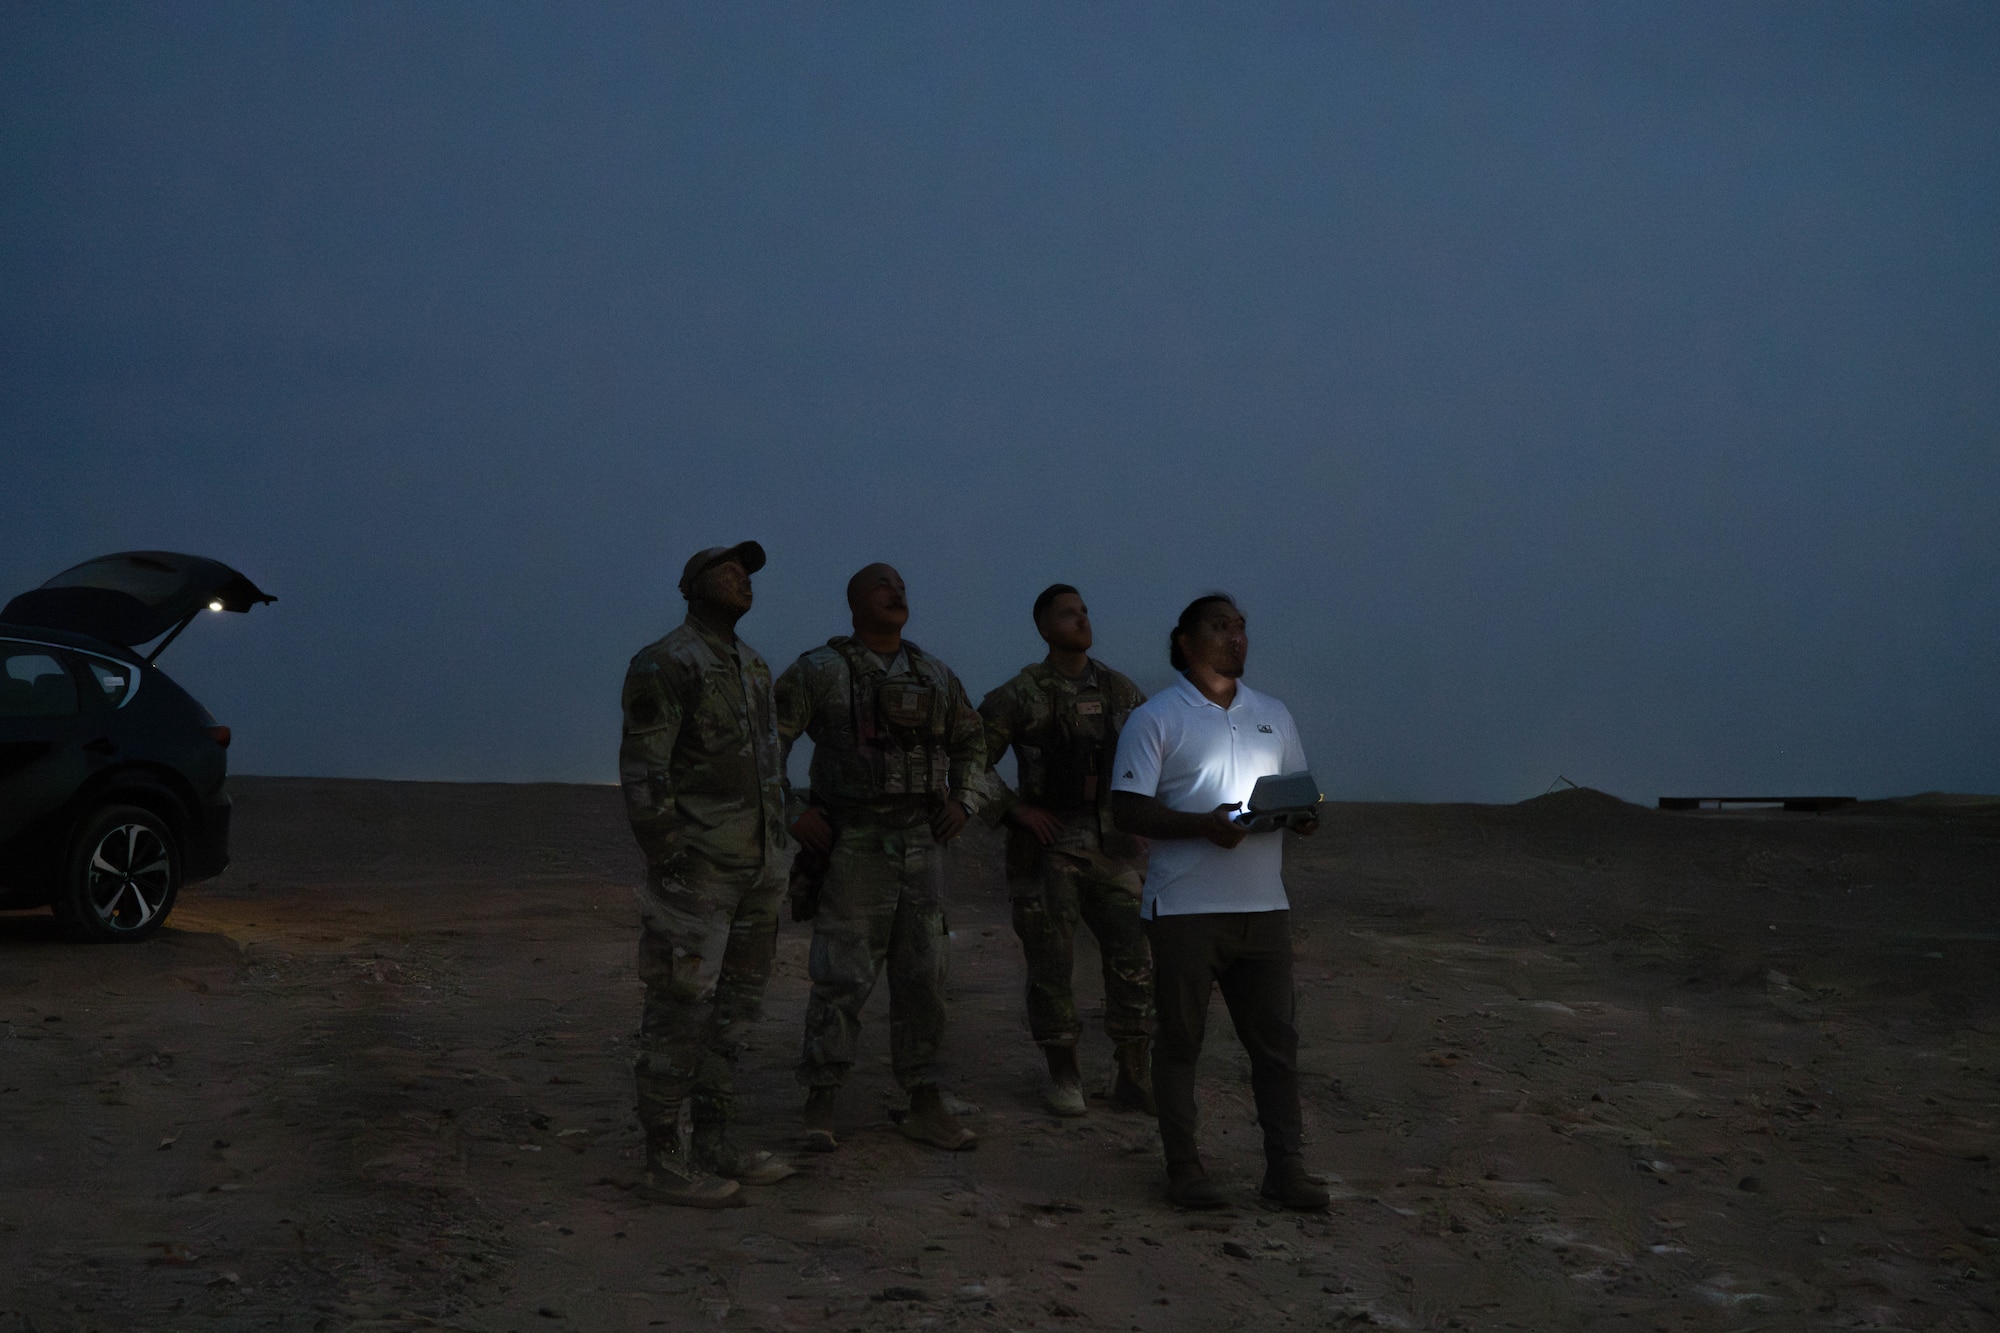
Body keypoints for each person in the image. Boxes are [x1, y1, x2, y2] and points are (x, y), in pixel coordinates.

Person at [1109, 593, 1329, 1211]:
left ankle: (1286, 1169)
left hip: (1263, 907)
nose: (1236, 637)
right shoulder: (1155, 719)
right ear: (1184, 640)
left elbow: (1298, 794)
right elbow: (1127, 808)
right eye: (1220, 626)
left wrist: (1300, 817)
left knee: (1276, 1045)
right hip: (1184, 909)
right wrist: (1202, 825)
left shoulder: (1273, 714)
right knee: (1180, 1043)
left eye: (1241, 628)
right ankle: (1184, 1169)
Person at [775, 563, 986, 1152]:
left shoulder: (935, 675)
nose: (896, 591)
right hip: (854, 844)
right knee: (841, 975)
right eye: (880, 585)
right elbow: (767, 744)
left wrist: (965, 802)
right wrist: (793, 812)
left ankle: (923, 1099)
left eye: (901, 584)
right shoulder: (820, 670)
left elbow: (974, 743)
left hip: (922, 843)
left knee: (925, 977)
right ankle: (820, 1100)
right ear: (852, 603)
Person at [618, 540, 797, 1208]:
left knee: (736, 1012)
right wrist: (667, 851)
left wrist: (779, 852)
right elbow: (645, 765)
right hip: (699, 865)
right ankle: (664, 1157)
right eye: (728, 570)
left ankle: (715, 1142)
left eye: (749, 571)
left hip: (758, 865)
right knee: (677, 1006)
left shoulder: (752, 665)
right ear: (692, 585)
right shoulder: (666, 661)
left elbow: (769, 769)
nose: (742, 579)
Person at [977, 584, 1156, 1117]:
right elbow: (969, 761)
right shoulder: (1018, 694)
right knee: (1051, 965)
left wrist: (1144, 812)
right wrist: (1014, 810)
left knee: (1134, 961)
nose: (1081, 620)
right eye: (1067, 614)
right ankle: (1065, 1075)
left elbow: (1155, 752)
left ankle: (1132, 1075)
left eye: (1084, 611)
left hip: (1113, 850)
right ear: (1043, 627)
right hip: (1049, 851)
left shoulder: (1120, 691)